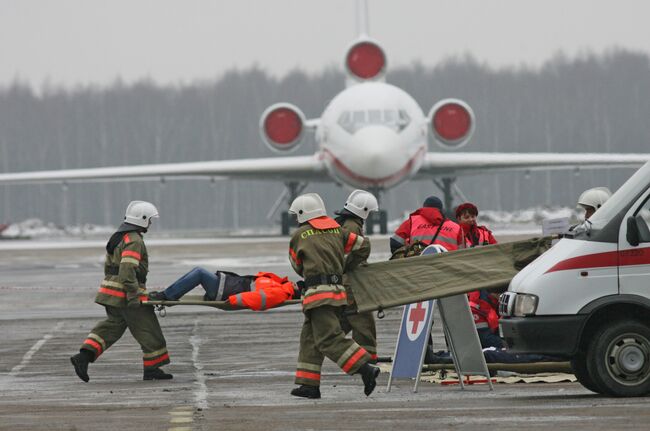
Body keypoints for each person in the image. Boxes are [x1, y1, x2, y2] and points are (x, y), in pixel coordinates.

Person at [288, 193, 379, 399]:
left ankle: (365, 368)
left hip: (317, 296)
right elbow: (363, 245)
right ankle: (308, 384)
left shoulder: (299, 235)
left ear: (303, 214)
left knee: (329, 339)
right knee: (309, 338)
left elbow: (296, 264)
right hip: (338, 294)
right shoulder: (337, 230)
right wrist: (345, 266)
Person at [70, 201, 172, 382]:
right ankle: (152, 369)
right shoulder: (134, 240)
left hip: (112, 294)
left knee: (111, 328)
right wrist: (135, 294)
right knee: (149, 331)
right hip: (127, 295)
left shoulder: (120, 236)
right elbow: (127, 271)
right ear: (142, 220)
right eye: (149, 220)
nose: (150, 224)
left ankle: (83, 357)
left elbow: (111, 268)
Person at [148, 268, 301, 310]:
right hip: (228, 286)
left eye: (298, 285)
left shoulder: (282, 292)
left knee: (199, 273)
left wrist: (233, 301)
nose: (295, 282)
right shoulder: (280, 285)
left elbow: (259, 300)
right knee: (197, 272)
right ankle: (169, 294)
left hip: (226, 291)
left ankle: (167, 295)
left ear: (296, 290)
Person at [390, 195, 464, 255]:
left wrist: (406, 256)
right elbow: (463, 253)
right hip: (447, 268)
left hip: (420, 268)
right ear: (441, 210)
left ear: (424, 207)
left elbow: (395, 242)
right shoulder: (456, 228)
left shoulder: (412, 222)